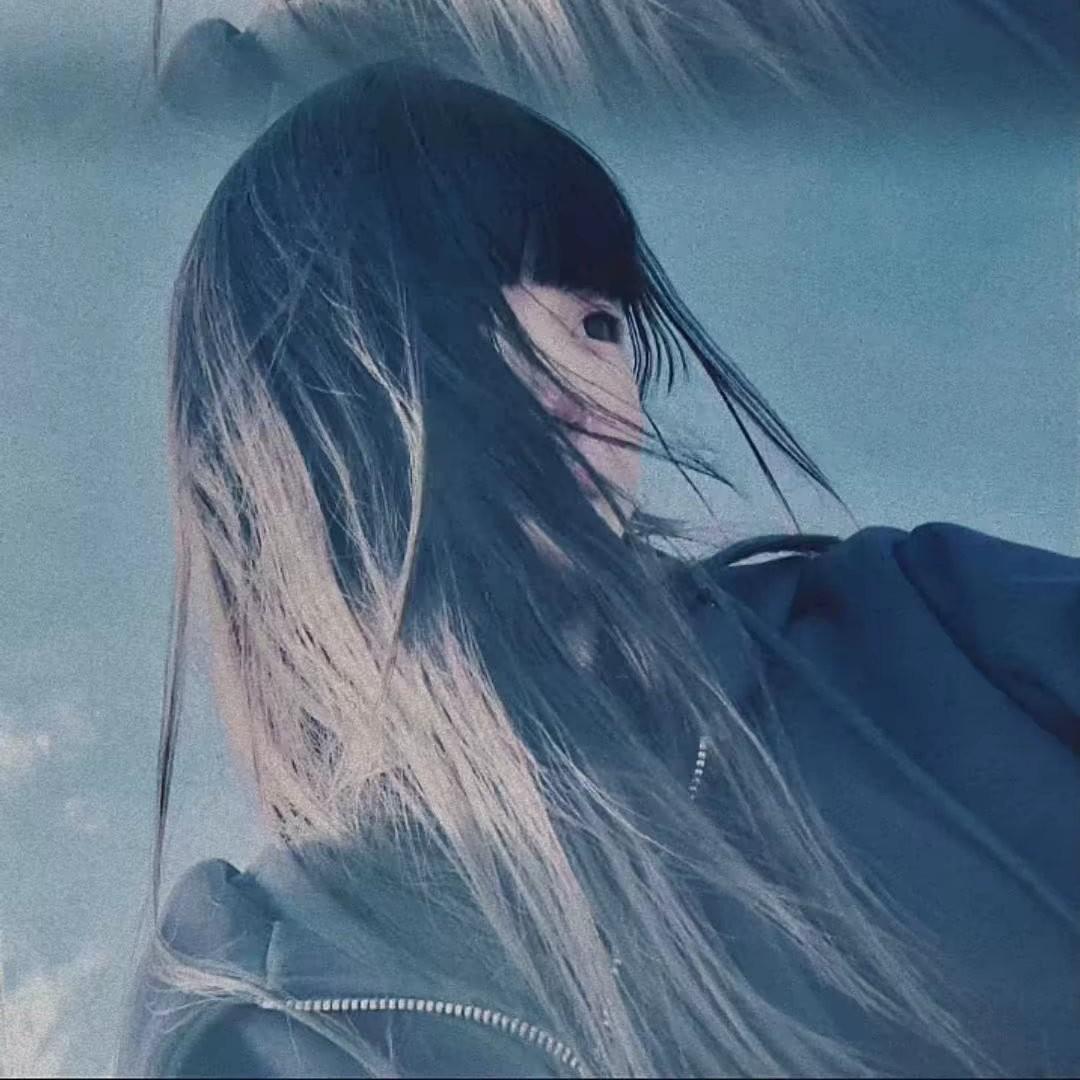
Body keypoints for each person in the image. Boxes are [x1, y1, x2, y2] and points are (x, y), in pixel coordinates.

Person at [111, 55, 1079, 1080]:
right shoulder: (275, 1011)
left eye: (596, 322)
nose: (575, 378)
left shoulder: (923, 624)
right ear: (284, 413)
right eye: (459, 310)